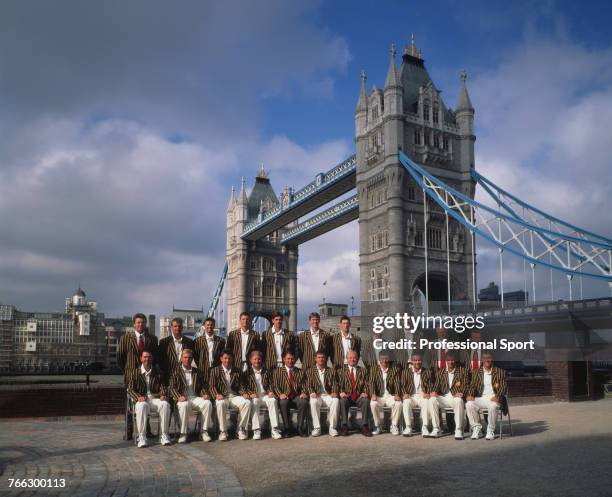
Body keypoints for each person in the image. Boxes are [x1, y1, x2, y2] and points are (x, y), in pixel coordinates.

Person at [127, 349, 171, 447]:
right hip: (141, 399)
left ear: (152, 358)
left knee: (165, 404)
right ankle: (142, 436)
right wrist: (138, 397)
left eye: (149, 357)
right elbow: (130, 389)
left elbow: (163, 386)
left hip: (155, 398)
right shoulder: (134, 372)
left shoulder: (158, 371)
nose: (147, 359)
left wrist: (163, 394)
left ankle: (163, 435)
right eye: (145, 357)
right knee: (142, 406)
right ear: (141, 359)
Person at [169, 349, 213, 443]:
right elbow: (172, 388)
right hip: (182, 398)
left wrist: (204, 394)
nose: (187, 360)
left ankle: (203, 432)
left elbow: (202, 386)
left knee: (208, 403)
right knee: (183, 405)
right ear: (181, 359)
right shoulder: (175, 371)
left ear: (192, 359)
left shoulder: (197, 371)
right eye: (185, 357)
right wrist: (178, 396)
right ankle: (183, 433)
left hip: (195, 397)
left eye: (189, 358)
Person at [209, 349, 251, 441]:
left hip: (234, 396)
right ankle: (223, 431)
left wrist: (244, 393)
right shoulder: (214, 371)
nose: (227, 360)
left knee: (247, 402)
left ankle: (240, 429)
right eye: (225, 358)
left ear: (232, 359)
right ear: (221, 359)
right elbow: (211, 387)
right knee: (220, 403)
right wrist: (216, 395)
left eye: (229, 358)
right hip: (222, 397)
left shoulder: (237, 370)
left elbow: (241, 386)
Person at [466, 353, 508, 440]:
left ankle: (490, 429)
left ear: (492, 359)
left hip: (493, 397)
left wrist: (498, 395)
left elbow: (504, 386)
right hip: (480, 397)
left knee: (493, 405)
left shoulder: (500, 371)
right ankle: (477, 429)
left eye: (489, 358)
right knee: (469, 404)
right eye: (485, 358)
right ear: (482, 360)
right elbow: (472, 386)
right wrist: (470, 394)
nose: (487, 360)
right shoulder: (476, 372)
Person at [242, 350, 282, 440]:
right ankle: (256, 429)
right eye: (255, 359)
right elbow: (244, 386)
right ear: (250, 360)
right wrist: (250, 393)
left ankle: (274, 429)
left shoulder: (267, 371)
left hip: (265, 395)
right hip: (255, 396)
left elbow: (272, 384)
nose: (257, 361)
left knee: (273, 400)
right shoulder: (246, 373)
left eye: (259, 359)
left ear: (262, 360)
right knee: (254, 402)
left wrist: (271, 391)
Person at [429, 352, 469, 440]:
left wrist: (461, 393)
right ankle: (436, 428)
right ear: (446, 361)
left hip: (455, 398)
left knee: (459, 400)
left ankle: (458, 429)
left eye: (452, 360)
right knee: (432, 399)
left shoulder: (462, 371)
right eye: (449, 360)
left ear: (455, 360)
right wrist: (434, 392)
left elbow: (466, 385)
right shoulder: (441, 372)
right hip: (444, 397)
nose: (451, 362)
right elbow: (436, 386)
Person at [269, 351, 309, 437]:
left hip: (296, 396)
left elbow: (305, 385)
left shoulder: (300, 371)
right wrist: (280, 394)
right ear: (284, 359)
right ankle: (287, 428)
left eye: (292, 359)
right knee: (283, 402)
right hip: (284, 396)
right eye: (288, 359)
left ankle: (300, 427)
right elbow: (275, 386)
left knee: (303, 401)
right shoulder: (277, 371)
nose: (290, 361)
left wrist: (303, 392)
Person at [336, 350, 371, 437]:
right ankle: (344, 426)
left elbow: (367, 383)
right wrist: (341, 392)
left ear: (358, 359)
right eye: (350, 358)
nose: (352, 359)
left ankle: (364, 426)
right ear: (346, 359)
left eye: (354, 358)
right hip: (347, 397)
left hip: (359, 397)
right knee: (342, 401)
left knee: (366, 400)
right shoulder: (340, 371)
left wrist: (365, 392)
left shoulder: (363, 370)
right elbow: (337, 384)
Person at [306, 352, 339, 437]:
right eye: (319, 357)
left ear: (326, 359)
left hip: (328, 395)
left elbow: (335, 384)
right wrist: (311, 392)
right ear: (315, 359)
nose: (321, 359)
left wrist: (334, 391)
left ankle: (332, 427)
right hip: (317, 395)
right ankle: (317, 428)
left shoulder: (331, 370)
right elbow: (308, 384)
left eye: (323, 357)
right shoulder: (310, 371)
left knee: (336, 400)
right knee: (313, 402)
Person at [400, 353, 434, 437]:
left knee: (426, 401)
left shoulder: (427, 371)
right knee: (406, 402)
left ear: (422, 361)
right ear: (412, 361)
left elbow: (431, 385)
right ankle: (408, 427)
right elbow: (402, 385)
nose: (417, 362)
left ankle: (424, 427)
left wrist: (428, 393)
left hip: (422, 396)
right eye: (415, 360)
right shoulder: (405, 372)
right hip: (411, 396)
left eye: (419, 360)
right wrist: (404, 393)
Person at [369, 353, 402, 435]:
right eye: (382, 359)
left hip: (390, 396)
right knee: (373, 403)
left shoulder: (394, 370)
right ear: (379, 360)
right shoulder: (374, 369)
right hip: (379, 396)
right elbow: (371, 383)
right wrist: (373, 394)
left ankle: (394, 425)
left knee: (398, 403)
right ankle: (378, 426)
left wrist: (397, 394)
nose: (384, 361)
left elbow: (397, 382)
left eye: (386, 359)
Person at [117, 313, 159, 378]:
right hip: (131, 375)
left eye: (143, 322)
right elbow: (120, 357)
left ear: (145, 324)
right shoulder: (125, 338)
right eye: (138, 322)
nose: (141, 324)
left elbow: (155, 357)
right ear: (134, 324)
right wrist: (127, 371)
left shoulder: (153, 339)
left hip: (149, 375)